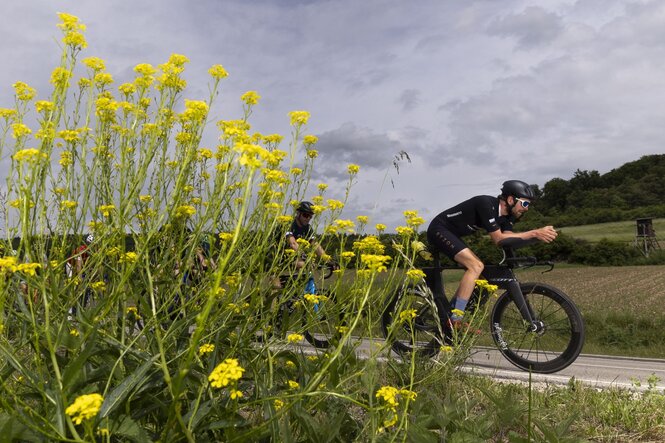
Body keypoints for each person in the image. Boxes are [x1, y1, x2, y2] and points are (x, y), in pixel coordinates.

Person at [426, 180, 558, 326]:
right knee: (475, 266)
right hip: (439, 229)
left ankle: (449, 312)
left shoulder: (508, 217)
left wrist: (535, 240)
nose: (527, 209)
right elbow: (498, 239)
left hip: (453, 235)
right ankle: (455, 319)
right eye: (525, 204)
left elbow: (508, 241)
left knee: (483, 279)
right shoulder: (486, 204)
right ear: (510, 199)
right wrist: (535, 233)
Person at [274, 201, 336, 287]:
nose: (308, 218)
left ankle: (296, 294)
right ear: (298, 213)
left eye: (310, 216)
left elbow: (315, 245)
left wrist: (328, 260)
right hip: (274, 255)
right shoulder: (289, 224)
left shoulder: (307, 228)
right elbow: (293, 243)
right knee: (275, 288)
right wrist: (305, 258)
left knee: (305, 271)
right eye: (305, 215)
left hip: (289, 256)